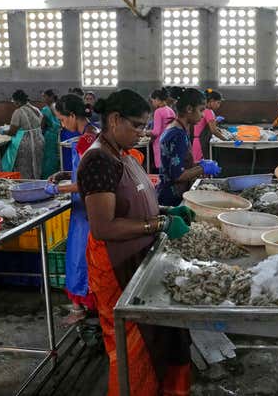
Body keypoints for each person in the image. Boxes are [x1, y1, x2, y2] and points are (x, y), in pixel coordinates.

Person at [76, 89, 194, 395]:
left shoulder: (123, 156)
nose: (143, 133)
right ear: (115, 120)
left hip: (138, 258)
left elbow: (136, 203)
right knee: (135, 348)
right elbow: (103, 226)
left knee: (161, 340)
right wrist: (159, 224)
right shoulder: (98, 161)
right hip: (116, 266)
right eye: (138, 126)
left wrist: (168, 210)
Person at [46, 94, 99, 324]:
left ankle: (81, 309)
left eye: (61, 119)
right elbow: (85, 172)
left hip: (86, 209)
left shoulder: (86, 141)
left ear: (71, 115)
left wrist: (59, 190)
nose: (61, 124)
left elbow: (90, 182)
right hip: (85, 206)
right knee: (82, 256)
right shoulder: (91, 134)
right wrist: (65, 174)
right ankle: (86, 306)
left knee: (80, 258)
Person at [157, 88, 222, 206]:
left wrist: (198, 163)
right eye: (201, 110)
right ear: (189, 109)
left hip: (169, 191)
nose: (203, 115)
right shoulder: (178, 134)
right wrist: (202, 168)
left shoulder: (176, 127)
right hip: (172, 197)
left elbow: (176, 163)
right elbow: (177, 175)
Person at [0, 90, 45, 179]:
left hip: (26, 144)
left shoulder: (18, 112)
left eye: (14, 102)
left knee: (24, 167)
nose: (14, 104)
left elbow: (12, 132)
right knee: (36, 165)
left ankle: (25, 185)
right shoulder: (36, 109)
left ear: (18, 101)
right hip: (38, 140)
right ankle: (36, 182)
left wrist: (2, 131)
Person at [192, 89, 229, 162]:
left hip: (196, 141)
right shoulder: (208, 111)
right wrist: (226, 140)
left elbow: (212, 127)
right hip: (200, 143)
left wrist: (219, 130)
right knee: (201, 166)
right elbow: (213, 130)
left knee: (197, 165)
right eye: (218, 102)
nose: (219, 105)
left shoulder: (203, 110)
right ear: (211, 101)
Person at [148, 88, 175, 172]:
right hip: (170, 143)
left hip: (160, 144)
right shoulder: (171, 110)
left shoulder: (158, 112)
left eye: (152, 101)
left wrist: (146, 132)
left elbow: (156, 132)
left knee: (161, 170)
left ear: (157, 99)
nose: (152, 104)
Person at [40, 89, 61, 179]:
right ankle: (57, 175)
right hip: (59, 135)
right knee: (57, 157)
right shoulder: (58, 106)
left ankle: (48, 177)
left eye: (45, 96)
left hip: (50, 137)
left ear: (51, 97)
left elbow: (42, 127)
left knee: (49, 158)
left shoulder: (45, 109)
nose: (43, 99)